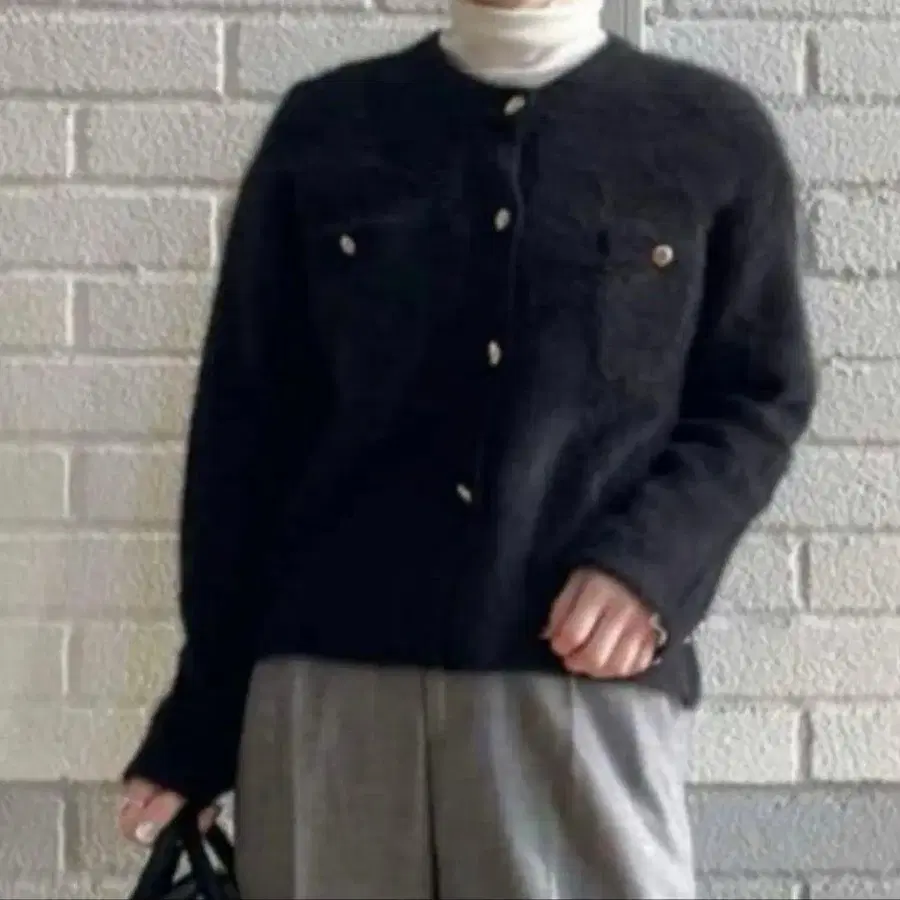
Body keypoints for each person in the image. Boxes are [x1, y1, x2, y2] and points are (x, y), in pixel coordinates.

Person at [117, 0, 817, 895]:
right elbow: (244, 435)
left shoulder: (709, 136)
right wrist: (201, 720)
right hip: (332, 693)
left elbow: (758, 394)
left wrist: (651, 567)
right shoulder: (327, 129)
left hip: (576, 689)